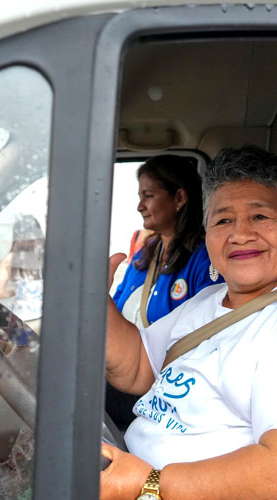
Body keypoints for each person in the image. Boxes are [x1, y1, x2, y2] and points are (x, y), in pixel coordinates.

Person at [100, 146, 277, 500]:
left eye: (260, 217)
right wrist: (93, 297)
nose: (240, 234)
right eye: (223, 220)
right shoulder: (210, 300)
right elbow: (136, 366)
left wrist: (151, 484)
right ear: (207, 233)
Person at [107, 155, 223, 429]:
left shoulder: (205, 259)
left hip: (163, 385)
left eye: (148, 195)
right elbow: (115, 308)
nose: (139, 206)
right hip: (124, 368)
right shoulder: (143, 257)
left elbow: (209, 336)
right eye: (140, 196)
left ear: (179, 197)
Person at [0, 215, 45, 323]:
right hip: (44, 318)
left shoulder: (10, 259)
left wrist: (16, 292)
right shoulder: (45, 255)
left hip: (22, 319)